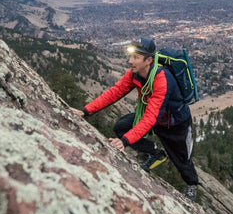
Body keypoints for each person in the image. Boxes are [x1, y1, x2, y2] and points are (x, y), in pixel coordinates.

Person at [71, 37, 199, 201]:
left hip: (175, 123)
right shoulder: (134, 74)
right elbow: (114, 93)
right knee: (121, 127)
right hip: (153, 118)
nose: (130, 61)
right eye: (130, 56)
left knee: (182, 158)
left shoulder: (162, 79)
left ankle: (192, 185)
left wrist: (124, 142)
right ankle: (154, 153)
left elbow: (151, 117)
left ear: (149, 60)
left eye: (136, 57)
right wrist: (86, 111)